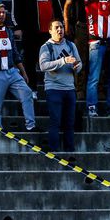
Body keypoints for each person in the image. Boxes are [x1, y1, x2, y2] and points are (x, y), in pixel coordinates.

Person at [0, 3, 37, 133]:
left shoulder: (9, 31)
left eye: (3, 12)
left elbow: (15, 53)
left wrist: (23, 72)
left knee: (27, 93)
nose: (2, 15)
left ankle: (31, 125)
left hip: (11, 71)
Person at [13, 0, 62, 92]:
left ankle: (51, 88)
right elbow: (16, 8)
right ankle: (32, 89)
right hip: (31, 30)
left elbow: (57, 6)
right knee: (30, 61)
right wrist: (17, 27)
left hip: (50, 31)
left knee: (52, 61)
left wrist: (61, 23)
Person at [39, 20, 83, 152]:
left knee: (70, 123)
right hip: (54, 89)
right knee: (55, 121)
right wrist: (63, 60)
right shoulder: (46, 47)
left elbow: (79, 64)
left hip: (69, 89)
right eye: (56, 27)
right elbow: (43, 66)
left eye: (62, 27)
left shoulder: (70, 45)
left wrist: (77, 66)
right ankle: (54, 151)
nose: (60, 30)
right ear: (50, 31)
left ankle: (70, 151)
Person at [62, 0, 92, 99]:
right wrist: (67, 24)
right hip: (81, 26)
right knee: (81, 58)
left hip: (98, 28)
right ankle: (79, 88)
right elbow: (67, 6)